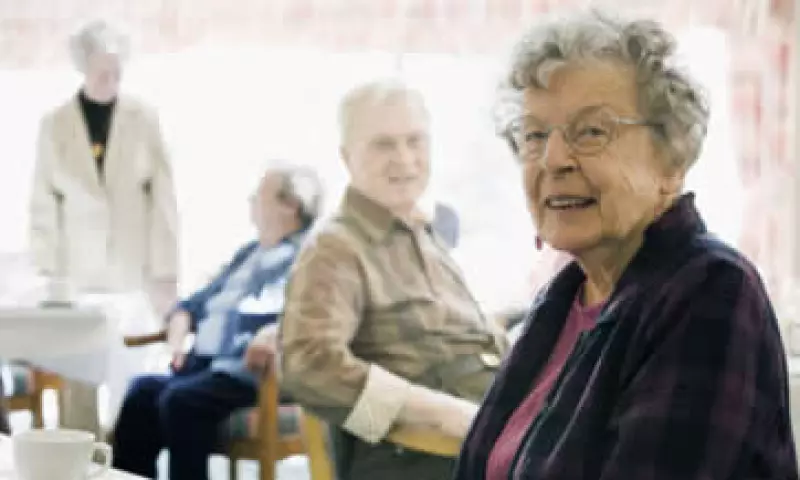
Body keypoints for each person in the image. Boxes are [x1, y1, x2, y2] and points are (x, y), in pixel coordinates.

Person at [454, 10, 799, 479]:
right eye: (535, 135)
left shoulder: (709, 290)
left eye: (592, 131)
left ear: (671, 162)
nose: (553, 159)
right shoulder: (564, 298)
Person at [278, 80, 508, 479]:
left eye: (415, 141)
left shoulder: (421, 233)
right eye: (384, 145)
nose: (405, 159)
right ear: (347, 157)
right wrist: (438, 416)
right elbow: (308, 366)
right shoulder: (336, 247)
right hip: (426, 458)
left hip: (497, 436)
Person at [111, 166, 323, 480]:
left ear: (290, 205)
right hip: (204, 367)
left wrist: (272, 333)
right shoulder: (249, 253)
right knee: (141, 394)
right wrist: (179, 331)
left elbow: (312, 314)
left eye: (259, 195)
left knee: (181, 401)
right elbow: (195, 304)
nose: (251, 201)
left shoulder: (310, 255)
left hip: (252, 371)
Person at [28, 19, 179, 436]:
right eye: (101, 71)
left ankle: (121, 453)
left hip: (133, 270)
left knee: (128, 367)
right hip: (78, 274)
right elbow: (42, 203)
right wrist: (50, 271)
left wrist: (165, 272)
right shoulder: (55, 124)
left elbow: (164, 199)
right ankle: (81, 454)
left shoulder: (143, 118)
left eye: (116, 70)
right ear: (83, 67)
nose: (109, 78)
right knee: (78, 369)